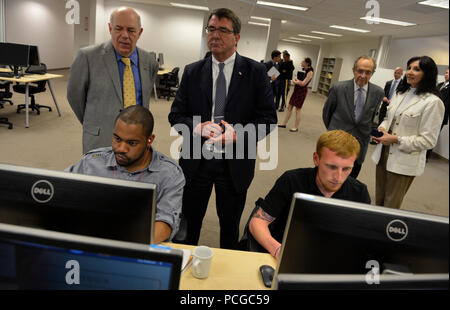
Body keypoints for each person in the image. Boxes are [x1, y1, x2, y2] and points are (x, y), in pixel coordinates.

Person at [168, 8, 277, 249]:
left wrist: (238, 134)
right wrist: (196, 127)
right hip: (196, 161)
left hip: (235, 163)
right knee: (189, 224)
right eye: (211, 29)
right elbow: (175, 115)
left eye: (223, 30)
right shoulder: (193, 71)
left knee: (229, 226)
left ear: (236, 37)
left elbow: (268, 119)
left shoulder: (255, 72)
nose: (215, 35)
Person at [66, 106, 185, 243]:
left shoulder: (169, 174)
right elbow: (60, 194)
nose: (121, 148)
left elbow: (165, 224)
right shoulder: (91, 162)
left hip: (140, 246)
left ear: (149, 140)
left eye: (132, 143)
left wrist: (123, 245)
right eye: (117, 139)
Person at [246, 130, 370, 259]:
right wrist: (278, 250)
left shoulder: (359, 192)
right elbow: (257, 222)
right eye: (331, 167)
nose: (338, 177)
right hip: (288, 253)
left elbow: (365, 237)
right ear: (316, 159)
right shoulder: (292, 181)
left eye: (346, 169)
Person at [67, 7, 159, 154]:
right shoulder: (87, 57)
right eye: (118, 28)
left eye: (131, 30)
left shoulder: (150, 62)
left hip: (137, 141)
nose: (124, 35)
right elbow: (74, 97)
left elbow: (145, 101)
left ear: (140, 32)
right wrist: (94, 122)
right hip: (100, 139)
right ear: (110, 28)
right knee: (97, 176)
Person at [372, 56, 444, 209]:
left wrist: (396, 139)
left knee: (391, 204)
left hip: (403, 159)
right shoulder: (401, 93)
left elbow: (428, 141)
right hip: (383, 153)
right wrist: (383, 128)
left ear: (428, 73)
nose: (410, 72)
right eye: (409, 68)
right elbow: (387, 117)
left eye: (416, 69)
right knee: (379, 199)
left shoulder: (433, 102)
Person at [322, 55, 384, 179]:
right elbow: (327, 113)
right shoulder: (338, 88)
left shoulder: (378, 92)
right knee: (330, 177)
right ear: (354, 69)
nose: (363, 76)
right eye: (360, 71)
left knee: (351, 179)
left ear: (373, 73)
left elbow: (371, 117)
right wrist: (333, 132)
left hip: (360, 143)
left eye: (368, 72)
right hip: (336, 141)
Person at [278, 57, 314, 132]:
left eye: (303, 62)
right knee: (289, 107)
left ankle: (295, 127)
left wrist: (296, 81)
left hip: (302, 91)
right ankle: (284, 123)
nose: (301, 62)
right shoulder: (303, 69)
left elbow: (303, 83)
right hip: (296, 90)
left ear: (307, 63)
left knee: (298, 109)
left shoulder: (310, 72)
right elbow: (296, 78)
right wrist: (296, 81)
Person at [426, 67, 449, 161]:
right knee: (426, 132)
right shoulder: (439, 85)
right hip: (431, 113)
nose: (445, 74)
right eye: (446, 72)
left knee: (433, 135)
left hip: (441, 116)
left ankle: (426, 156)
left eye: (448, 73)